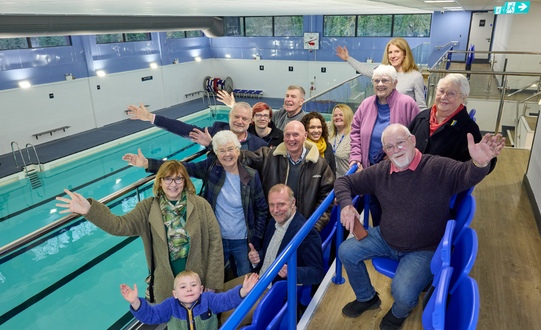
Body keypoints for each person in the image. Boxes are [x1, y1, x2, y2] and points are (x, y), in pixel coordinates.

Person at [335, 124, 504, 330]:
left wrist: (478, 163)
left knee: (402, 294)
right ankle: (367, 297)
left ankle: (399, 313)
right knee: (346, 251)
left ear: (413, 141)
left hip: (423, 249)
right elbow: (343, 182)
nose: (396, 150)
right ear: (385, 151)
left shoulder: (437, 167)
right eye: (389, 147)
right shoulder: (380, 172)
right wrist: (346, 205)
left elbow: (466, 175)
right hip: (385, 238)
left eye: (400, 143)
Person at [55, 160, 224, 329]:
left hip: (198, 283)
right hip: (168, 287)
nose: (173, 184)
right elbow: (118, 225)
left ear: (185, 181)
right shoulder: (148, 208)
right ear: (160, 181)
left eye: (178, 179)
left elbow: (215, 242)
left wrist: (212, 283)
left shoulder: (200, 205)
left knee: (204, 324)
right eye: (167, 179)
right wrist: (90, 210)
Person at [122, 131, 268, 277]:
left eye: (230, 149)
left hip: (242, 240)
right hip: (216, 238)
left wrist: (255, 239)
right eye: (221, 150)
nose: (227, 154)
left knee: (247, 277)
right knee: (213, 277)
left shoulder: (251, 176)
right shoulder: (212, 169)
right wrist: (148, 163)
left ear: (238, 150)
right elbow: (183, 168)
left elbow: (261, 209)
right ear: (216, 153)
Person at [349, 65, 420, 227]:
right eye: (376, 80)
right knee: (375, 209)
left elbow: (418, 138)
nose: (380, 84)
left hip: (399, 173)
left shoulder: (408, 104)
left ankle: (395, 244)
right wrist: (356, 158)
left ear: (395, 83)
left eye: (385, 80)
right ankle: (381, 241)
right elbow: (354, 133)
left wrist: (397, 154)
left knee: (395, 212)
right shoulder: (366, 104)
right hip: (372, 170)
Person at [241, 121, 335, 232]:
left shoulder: (319, 164)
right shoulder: (268, 156)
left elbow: (327, 200)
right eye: (287, 135)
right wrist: (222, 149)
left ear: (305, 136)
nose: (291, 139)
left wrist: (313, 228)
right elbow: (243, 157)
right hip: (273, 227)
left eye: (296, 134)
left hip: (302, 229)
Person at [408, 73, 496, 170]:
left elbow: (474, 169)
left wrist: (481, 163)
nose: (443, 97)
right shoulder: (422, 117)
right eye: (441, 91)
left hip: (441, 182)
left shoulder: (468, 129)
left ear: (463, 98)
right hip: (409, 175)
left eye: (451, 93)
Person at [120, 270, 259, 329]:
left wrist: (243, 291)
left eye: (193, 285)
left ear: (201, 289)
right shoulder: (170, 306)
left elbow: (226, 300)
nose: (189, 289)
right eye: (183, 287)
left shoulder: (208, 300)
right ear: (175, 294)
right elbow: (151, 316)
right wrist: (136, 303)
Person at [248, 184, 324, 285]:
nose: (275, 210)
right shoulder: (272, 222)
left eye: (281, 204)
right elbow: (271, 253)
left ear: (293, 203)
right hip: (258, 280)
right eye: (272, 205)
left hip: (274, 291)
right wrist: (257, 258)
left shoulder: (306, 232)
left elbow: (317, 274)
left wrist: (291, 271)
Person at [126, 101, 266, 151]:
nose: (239, 121)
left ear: (250, 122)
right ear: (229, 116)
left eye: (244, 118)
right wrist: (152, 118)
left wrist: (212, 145)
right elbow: (184, 129)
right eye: (236, 116)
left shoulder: (259, 146)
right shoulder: (216, 130)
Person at [336, 37, 427, 111]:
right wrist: (348, 58)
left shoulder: (415, 76)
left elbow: (421, 107)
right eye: (390, 52)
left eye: (397, 51)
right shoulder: (383, 73)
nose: (393, 56)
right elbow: (365, 70)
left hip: (403, 123)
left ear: (405, 54)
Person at [217, 91, 283, 148]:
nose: (262, 118)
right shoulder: (245, 131)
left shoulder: (280, 136)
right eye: (258, 115)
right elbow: (242, 116)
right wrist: (233, 105)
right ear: (252, 118)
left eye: (265, 116)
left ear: (269, 119)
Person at [300, 111, 337, 176]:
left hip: (325, 185)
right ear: (305, 129)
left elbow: (332, 173)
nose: (316, 131)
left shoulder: (328, 146)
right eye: (312, 127)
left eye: (319, 127)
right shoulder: (300, 146)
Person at [327, 104, 354, 178]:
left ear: (348, 116)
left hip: (348, 179)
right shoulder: (329, 130)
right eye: (335, 115)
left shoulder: (354, 136)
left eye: (341, 115)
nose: (337, 117)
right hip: (331, 180)